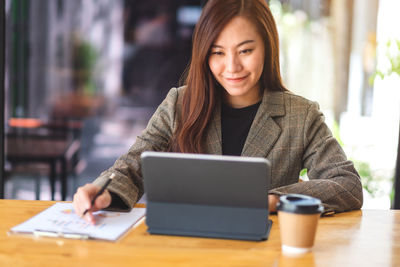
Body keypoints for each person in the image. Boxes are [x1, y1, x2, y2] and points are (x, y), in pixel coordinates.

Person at [73, 0, 363, 224]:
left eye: (245, 51)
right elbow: (133, 167)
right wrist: (101, 192)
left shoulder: (300, 115)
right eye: (218, 52)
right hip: (186, 246)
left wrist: (274, 200)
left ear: (267, 48)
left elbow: (347, 185)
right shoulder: (180, 104)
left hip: (264, 252)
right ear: (204, 54)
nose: (232, 67)